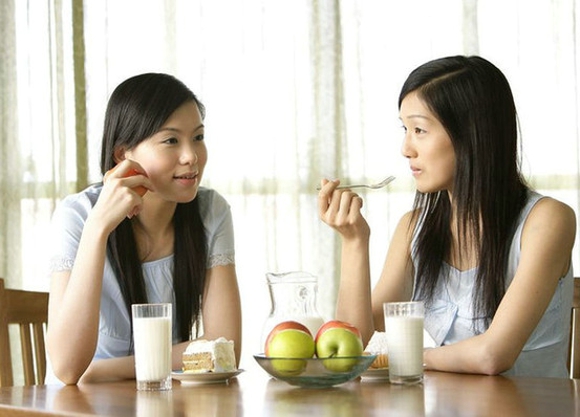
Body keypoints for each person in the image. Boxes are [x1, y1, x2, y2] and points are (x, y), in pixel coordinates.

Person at [318, 55, 576, 377]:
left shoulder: (548, 220)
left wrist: (410, 356)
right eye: (405, 129)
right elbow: (354, 342)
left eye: (419, 130)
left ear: (472, 134)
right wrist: (354, 241)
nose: (406, 148)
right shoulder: (414, 227)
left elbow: (491, 356)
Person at [46, 73, 242, 384]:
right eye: (171, 140)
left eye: (198, 137)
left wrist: (103, 371)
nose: (191, 156)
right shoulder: (79, 215)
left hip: (162, 401)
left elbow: (224, 349)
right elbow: (69, 370)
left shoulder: (210, 212)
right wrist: (98, 228)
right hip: (82, 407)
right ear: (123, 154)